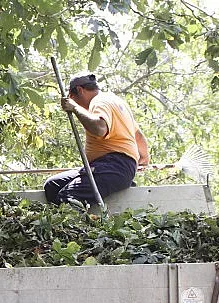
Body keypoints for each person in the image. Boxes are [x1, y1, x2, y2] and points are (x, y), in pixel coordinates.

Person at [44, 72, 150, 206]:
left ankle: (81, 226)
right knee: (52, 185)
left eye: (71, 98)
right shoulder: (115, 101)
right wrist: (144, 157)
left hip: (113, 165)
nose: (72, 101)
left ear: (80, 90)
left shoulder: (99, 102)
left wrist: (74, 108)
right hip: (107, 167)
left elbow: (100, 129)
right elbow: (138, 134)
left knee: (68, 198)